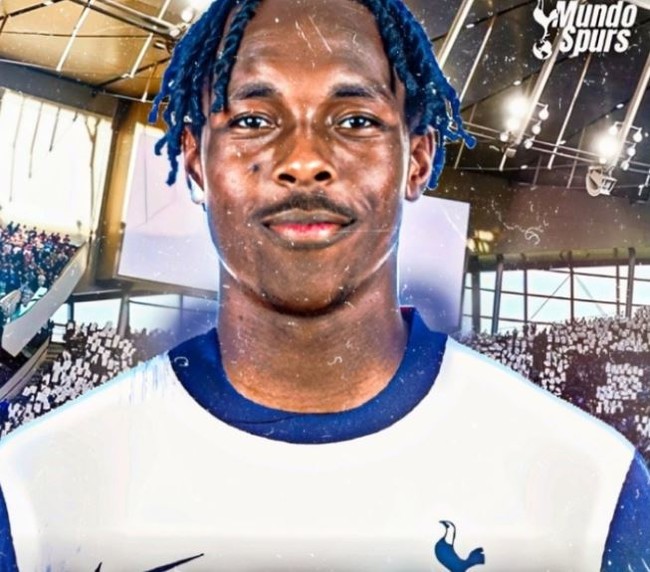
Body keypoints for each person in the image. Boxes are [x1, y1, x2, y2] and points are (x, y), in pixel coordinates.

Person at [0, 0, 649, 570]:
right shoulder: (32, 491)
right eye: (253, 120)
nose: (304, 160)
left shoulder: (591, 490)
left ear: (418, 158)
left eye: (355, 120)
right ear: (195, 160)